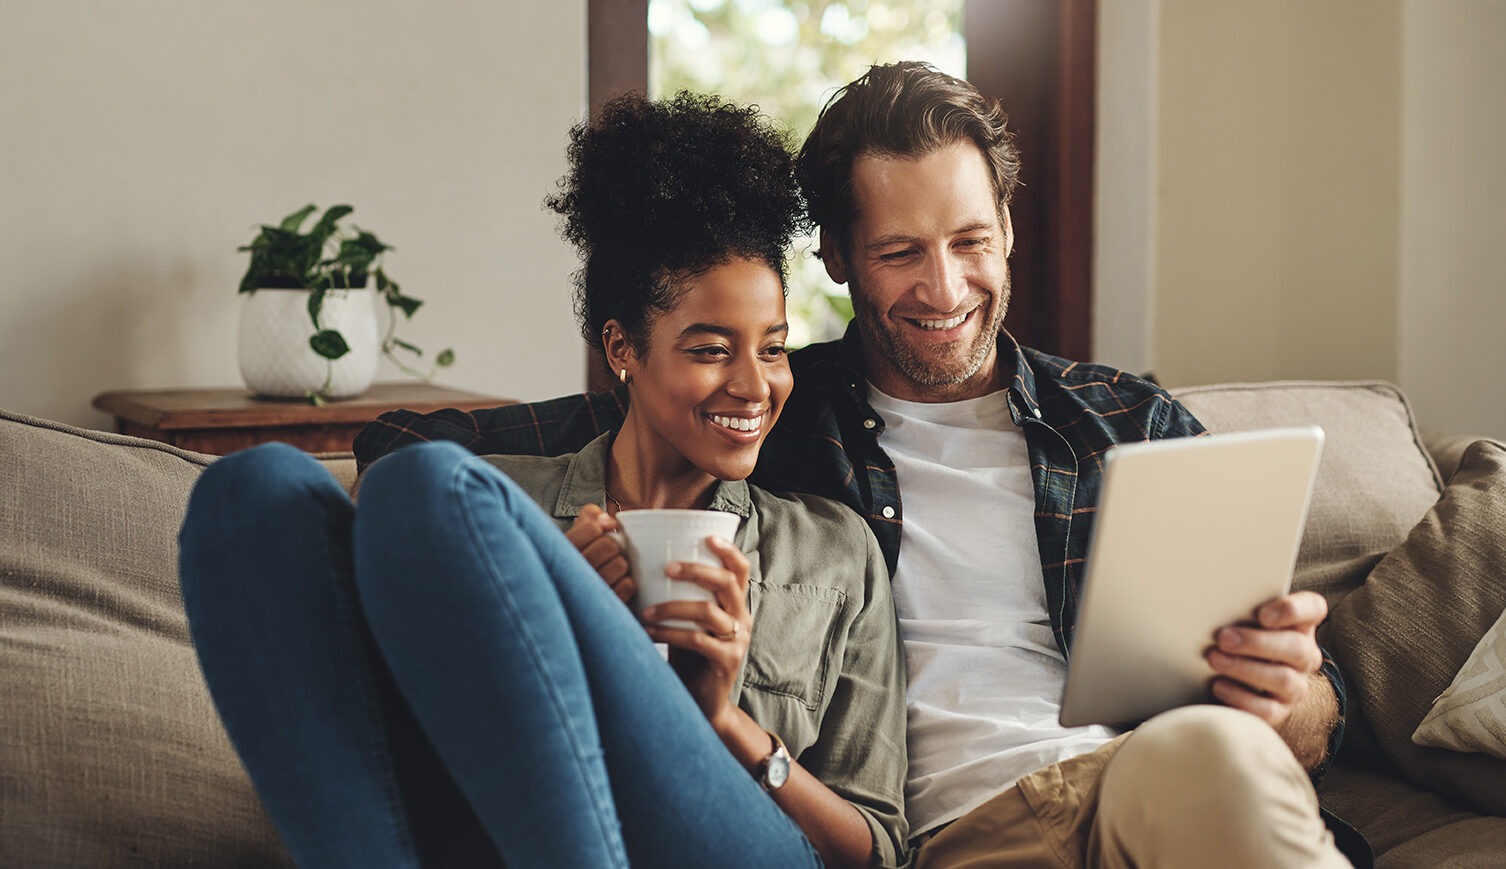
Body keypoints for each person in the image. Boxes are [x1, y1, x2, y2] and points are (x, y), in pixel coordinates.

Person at [356, 64, 1361, 868]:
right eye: (899, 252)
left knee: (1217, 750)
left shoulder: (1127, 421)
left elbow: (1322, 711)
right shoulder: (772, 410)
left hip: (1159, 782)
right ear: (836, 254)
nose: (944, 286)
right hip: (968, 832)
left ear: (1008, 227)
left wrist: (1296, 695)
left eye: (971, 240)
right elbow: (414, 458)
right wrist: (549, 547)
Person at [180, 92, 908, 869]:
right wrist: (559, 607)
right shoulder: (504, 513)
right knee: (249, 494)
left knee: (426, 483)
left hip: (735, 842)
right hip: (508, 829)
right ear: (622, 348)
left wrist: (726, 722)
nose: (755, 386)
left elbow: (878, 848)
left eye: (773, 348)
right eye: (709, 350)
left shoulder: (832, 550)